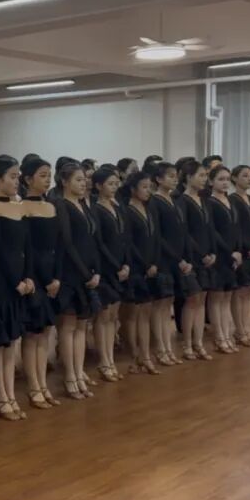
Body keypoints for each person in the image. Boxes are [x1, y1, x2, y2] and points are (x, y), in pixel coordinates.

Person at [0, 156, 33, 421]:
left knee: (12, 340)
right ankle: (0, 395)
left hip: (20, 281)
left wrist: (28, 277)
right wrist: (15, 280)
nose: (16, 181)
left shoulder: (18, 206)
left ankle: (11, 394)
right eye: (12, 177)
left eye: (17, 176)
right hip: (2, 282)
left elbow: (26, 247)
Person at [53, 163, 101, 398]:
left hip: (88, 273)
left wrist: (96, 271)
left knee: (82, 325)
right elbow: (67, 242)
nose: (84, 184)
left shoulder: (84, 205)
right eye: (78, 180)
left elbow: (93, 240)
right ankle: (69, 375)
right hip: (70, 274)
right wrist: (85, 273)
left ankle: (79, 372)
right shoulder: (61, 205)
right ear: (64, 182)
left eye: (84, 180)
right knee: (68, 326)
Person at [20, 158, 62, 408]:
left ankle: (43, 384)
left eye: (49, 175)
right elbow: (29, 249)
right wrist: (44, 279)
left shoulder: (50, 206)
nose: (47, 180)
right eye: (42, 175)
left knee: (45, 332)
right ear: (28, 179)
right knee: (32, 334)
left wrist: (56, 277)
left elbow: (57, 245)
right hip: (34, 276)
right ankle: (33, 386)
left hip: (52, 276)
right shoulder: (22, 207)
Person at [90, 166, 130, 382]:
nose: (114, 187)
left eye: (116, 183)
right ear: (98, 186)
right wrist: (116, 266)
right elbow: (100, 244)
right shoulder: (95, 209)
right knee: (104, 316)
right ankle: (103, 360)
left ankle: (110, 359)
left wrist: (126, 264)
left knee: (114, 316)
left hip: (121, 267)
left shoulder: (117, 206)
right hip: (107, 268)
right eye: (110, 184)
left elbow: (125, 238)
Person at [147, 162, 189, 367]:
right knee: (160, 305)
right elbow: (159, 236)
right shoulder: (154, 201)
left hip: (176, 258)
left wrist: (183, 257)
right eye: (170, 176)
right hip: (163, 258)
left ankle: (168, 348)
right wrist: (176, 258)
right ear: (158, 179)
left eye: (175, 176)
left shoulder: (174, 200)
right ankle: (160, 348)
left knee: (169, 303)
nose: (174, 179)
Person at [122, 171, 162, 376]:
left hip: (151, 267)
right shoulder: (127, 211)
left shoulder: (149, 208)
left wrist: (154, 262)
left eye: (150, 187)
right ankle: (133, 355)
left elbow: (156, 238)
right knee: (132, 314)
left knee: (146, 313)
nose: (148, 191)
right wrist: (145, 264)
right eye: (144, 187)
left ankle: (145, 355)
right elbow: (129, 243)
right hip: (137, 268)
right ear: (133, 189)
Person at [177, 163, 214, 361]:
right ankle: (187, 343)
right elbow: (184, 233)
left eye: (206, 175)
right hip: (192, 257)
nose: (204, 179)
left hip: (207, 257)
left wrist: (212, 252)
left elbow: (210, 229)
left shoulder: (204, 200)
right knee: (192, 300)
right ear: (188, 177)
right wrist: (200, 254)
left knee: (202, 300)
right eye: (200, 175)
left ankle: (199, 342)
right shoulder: (182, 201)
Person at [206, 166, 241, 354]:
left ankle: (227, 334)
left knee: (227, 297)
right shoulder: (210, 202)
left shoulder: (230, 200)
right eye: (220, 179)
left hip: (232, 255)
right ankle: (218, 336)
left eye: (227, 179)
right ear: (211, 182)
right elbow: (213, 232)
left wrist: (238, 250)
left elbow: (236, 228)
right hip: (220, 255)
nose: (225, 182)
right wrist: (229, 252)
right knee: (217, 297)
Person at [229, 165, 250, 347]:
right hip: (241, 249)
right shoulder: (232, 200)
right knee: (239, 291)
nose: (249, 179)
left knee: (248, 291)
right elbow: (236, 228)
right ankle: (239, 329)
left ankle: (243, 328)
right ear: (234, 178)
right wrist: (246, 247)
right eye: (245, 176)